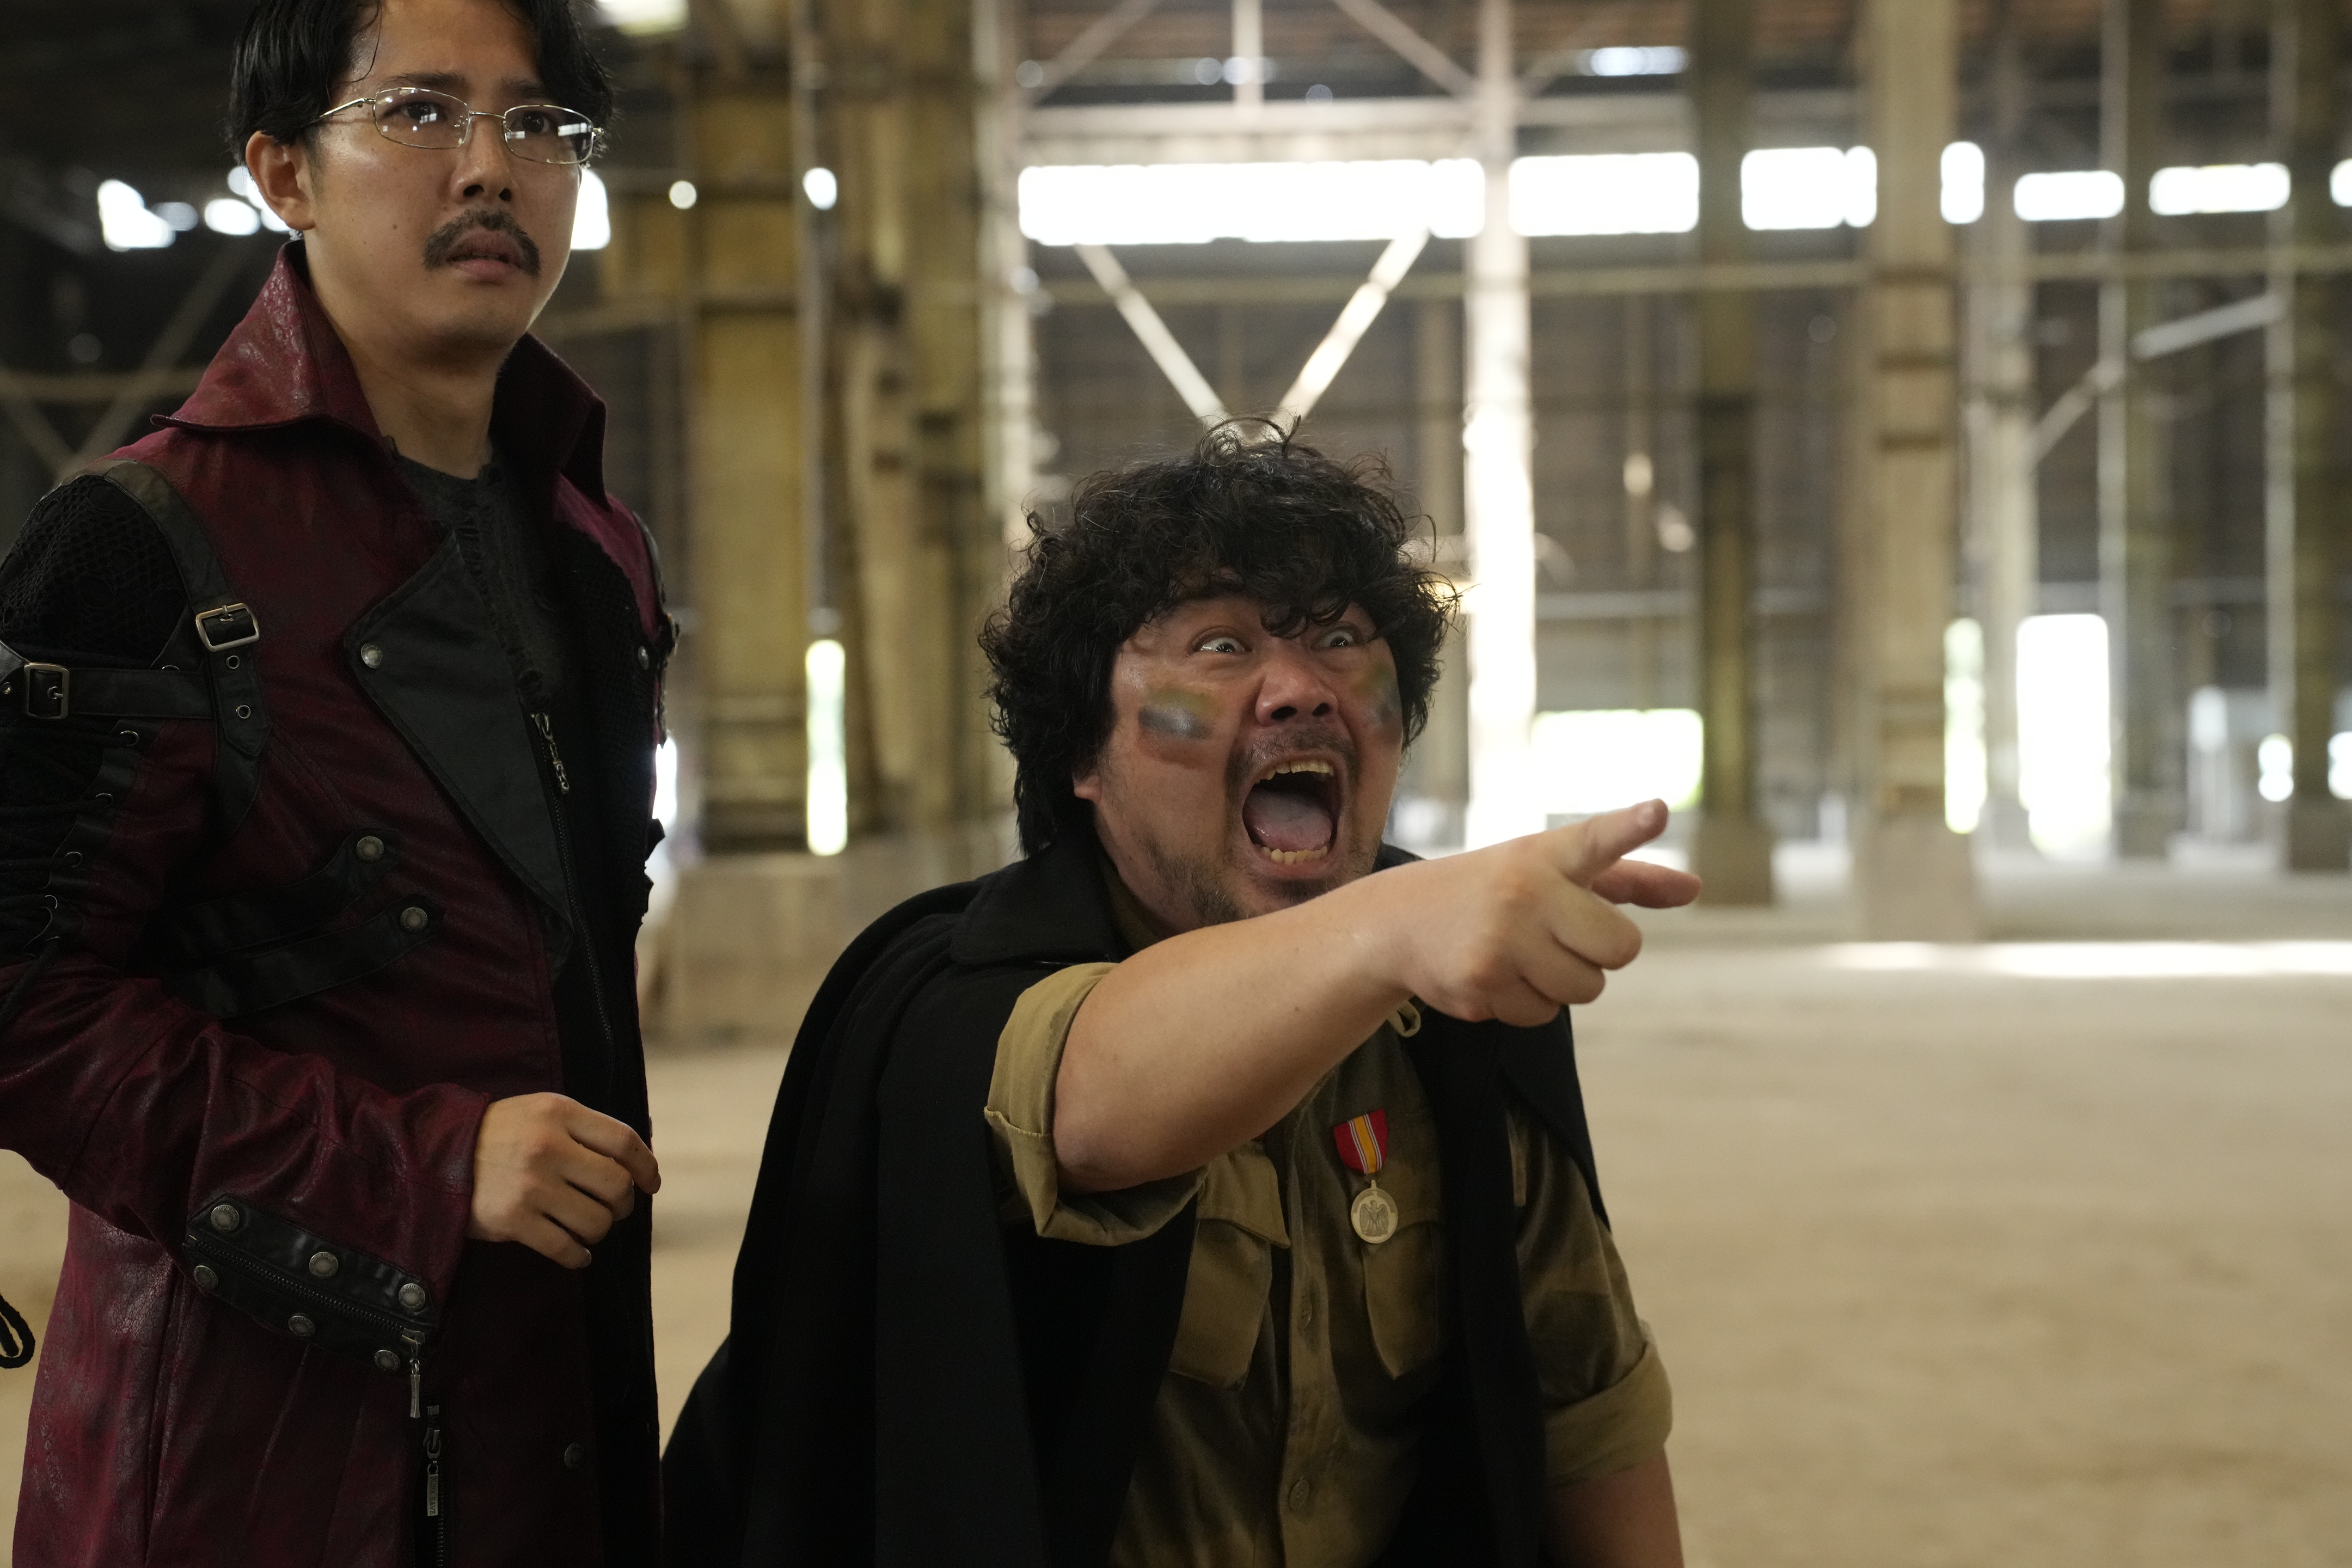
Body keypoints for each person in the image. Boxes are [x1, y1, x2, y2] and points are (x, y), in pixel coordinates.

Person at [664, 424, 1700, 1567]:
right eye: (1220, 645)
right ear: (1085, 754)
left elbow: (1584, 1404)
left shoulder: (1454, 1015)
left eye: (1340, 640)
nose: (1300, 690)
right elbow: (1098, 1112)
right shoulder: (943, 996)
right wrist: (1391, 926)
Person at [0, 1, 671, 1561]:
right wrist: (420, 1171)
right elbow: (21, 1004)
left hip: (547, 1424)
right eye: (421, 113)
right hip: (253, 1470)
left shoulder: (595, 548)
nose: (490, 169)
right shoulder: (139, 549)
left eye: (539, 125)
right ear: (283, 173)